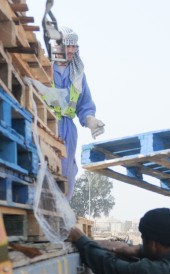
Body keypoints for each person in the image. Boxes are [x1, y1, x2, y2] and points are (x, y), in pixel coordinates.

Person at [50, 26, 105, 199]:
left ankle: (62, 211)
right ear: (58, 46)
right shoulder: (44, 66)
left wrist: (89, 119)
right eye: (68, 45)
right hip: (46, 123)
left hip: (67, 128)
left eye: (75, 46)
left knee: (66, 172)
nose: (72, 50)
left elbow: (84, 103)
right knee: (45, 166)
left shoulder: (78, 74)